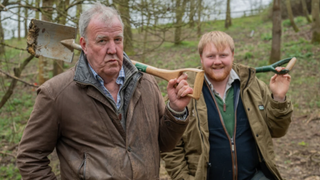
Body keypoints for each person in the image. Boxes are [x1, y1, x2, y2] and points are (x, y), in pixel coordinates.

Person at [17, 2, 193, 179]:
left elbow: (164, 144)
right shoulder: (56, 94)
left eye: (117, 39)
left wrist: (175, 110)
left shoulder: (146, 83)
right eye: (102, 40)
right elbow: (30, 157)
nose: (112, 49)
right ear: (84, 45)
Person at [161, 31, 293, 180]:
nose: (217, 61)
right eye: (211, 56)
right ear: (201, 58)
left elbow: (277, 131)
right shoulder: (185, 91)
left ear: (233, 55)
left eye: (223, 55)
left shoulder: (253, 86)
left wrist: (279, 97)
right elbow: (171, 148)